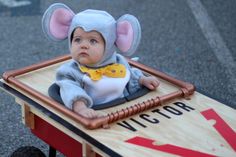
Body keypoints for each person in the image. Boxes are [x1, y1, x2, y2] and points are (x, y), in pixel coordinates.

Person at [42, 3, 159, 118]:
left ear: (109, 45)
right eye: (77, 40)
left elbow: (130, 75)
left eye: (93, 41)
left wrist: (142, 80)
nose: (84, 45)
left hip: (124, 112)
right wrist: (81, 107)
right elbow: (70, 89)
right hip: (95, 113)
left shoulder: (119, 62)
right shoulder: (69, 72)